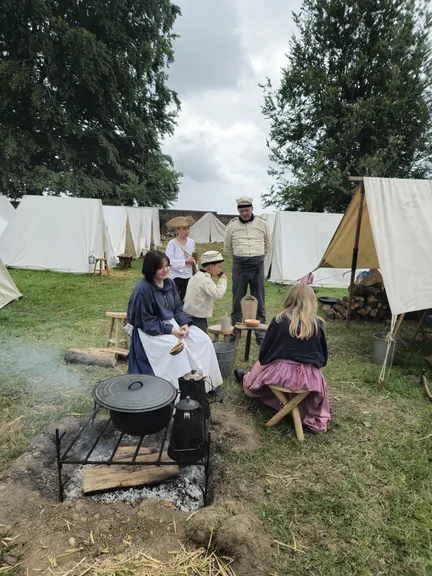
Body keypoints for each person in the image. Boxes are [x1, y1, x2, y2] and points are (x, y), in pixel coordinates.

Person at [233, 284, 331, 433]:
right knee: (288, 372)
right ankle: (298, 408)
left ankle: (247, 381)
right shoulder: (317, 324)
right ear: (312, 301)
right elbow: (322, 358)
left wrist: (267, 363)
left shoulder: (280, 319)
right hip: (309, 380)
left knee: (261, 366)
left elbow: (265, 352)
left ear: (290, 298)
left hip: (282, 376)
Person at [126, 250, 223, 392]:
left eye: (167, 266)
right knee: (177, 350)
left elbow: (177, 308)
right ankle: (179, 392)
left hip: (173, 325)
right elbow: (147, 323)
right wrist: (171, 331)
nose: (165, 270)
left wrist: (183, 324)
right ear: (150, 269)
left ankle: (206, 384)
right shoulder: (143, 290)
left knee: (203, 340)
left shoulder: (169, 283)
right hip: (150, 333)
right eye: (160, 267)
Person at [224, 197, 270, 345]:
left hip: (257, 265)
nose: (244, 213)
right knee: (237, 300)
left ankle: (260, 334)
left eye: (247, 210)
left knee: (259, 300)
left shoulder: (262, 224)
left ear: (252, 209)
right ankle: (234, 332)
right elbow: (227, 248)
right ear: (238, 210)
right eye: (241, 210)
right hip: (240, 266)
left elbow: (268, 245)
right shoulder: (231, 226)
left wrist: (257, 257)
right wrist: (241, 257)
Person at [183, 251, 228, 333]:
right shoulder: (204, 280)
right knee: (201, 341)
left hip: (190, 315)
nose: (220, 270)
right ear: (210, 266)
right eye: (219, 267)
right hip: (196, 318)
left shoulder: (196, 276)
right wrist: (223, 280)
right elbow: (218, 294)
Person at [165, 216, 196, 302]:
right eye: (184, 229)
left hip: (188, 274)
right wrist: (185, 261)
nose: (187, 231)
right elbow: (168, 261)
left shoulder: (191, 242)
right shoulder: (172, 243)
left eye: (188, 229)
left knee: (185, 299)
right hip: (175, 275)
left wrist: (193, 263)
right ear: (177, 230)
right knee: (174, 299)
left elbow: (192, 256)